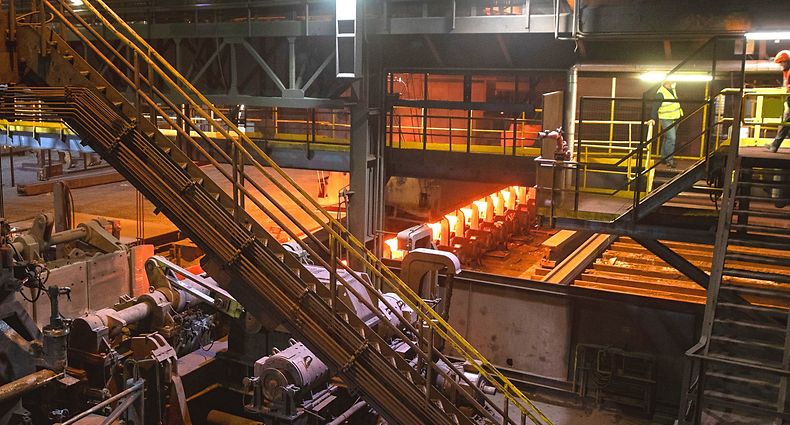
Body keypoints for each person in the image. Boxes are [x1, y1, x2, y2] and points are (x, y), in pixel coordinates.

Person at [650, 80, 684, 169]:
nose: (674, 82)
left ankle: (664, 157)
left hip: (675, 117)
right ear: (666, 83)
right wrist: (652, 118)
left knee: (668, 138)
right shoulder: (661, 93)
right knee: (671, 138)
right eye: (672, 81)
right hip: (666, 118)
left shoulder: (672, 89)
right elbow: (655, 106)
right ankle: (669, 160)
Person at [767, 50, 790, 153]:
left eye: (782, 62)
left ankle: (774, 146)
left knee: (786, 123)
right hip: (789, 99)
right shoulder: (787, 72)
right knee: (786, 123)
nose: (781, 65)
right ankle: (774, 145)